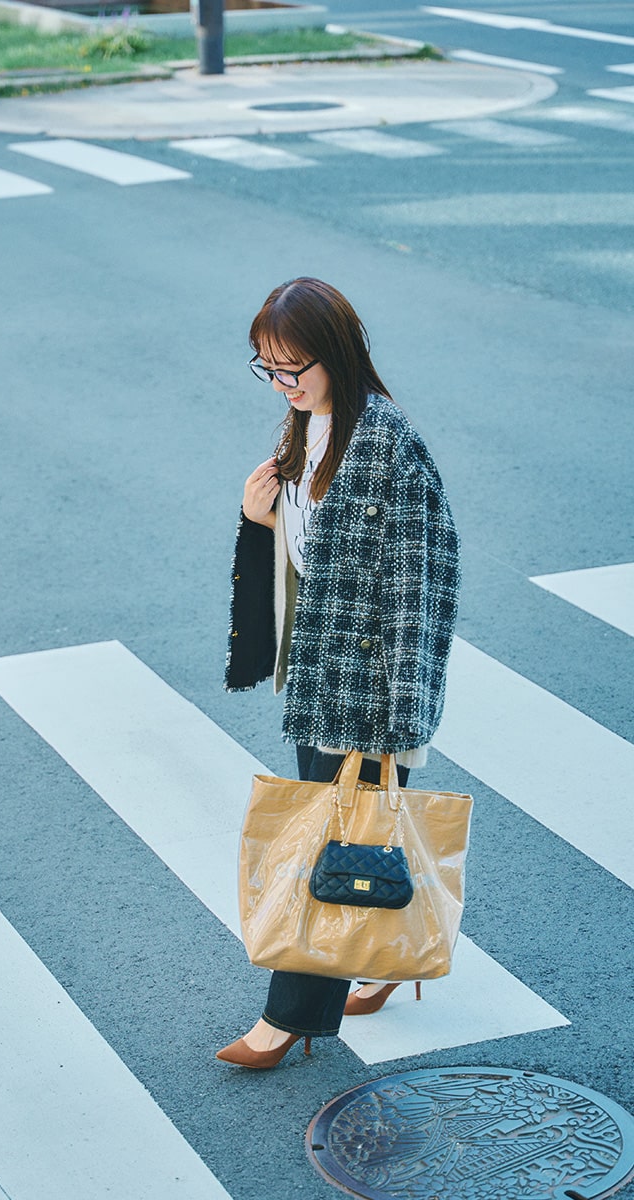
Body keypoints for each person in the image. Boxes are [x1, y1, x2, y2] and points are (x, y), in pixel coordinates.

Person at [217, 278, 460, 1069]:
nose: (283, 385)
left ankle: (286, 1019)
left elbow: (427, 580)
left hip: (368, 691)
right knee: (352, 837)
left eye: (294, 368)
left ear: (341, 354)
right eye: (268, 369)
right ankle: (379, 953)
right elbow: (306, 558)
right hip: (319, 673)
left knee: (322, 841)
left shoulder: (388, 442)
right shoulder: (307, 427)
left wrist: (400, 719)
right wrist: (263, 516)